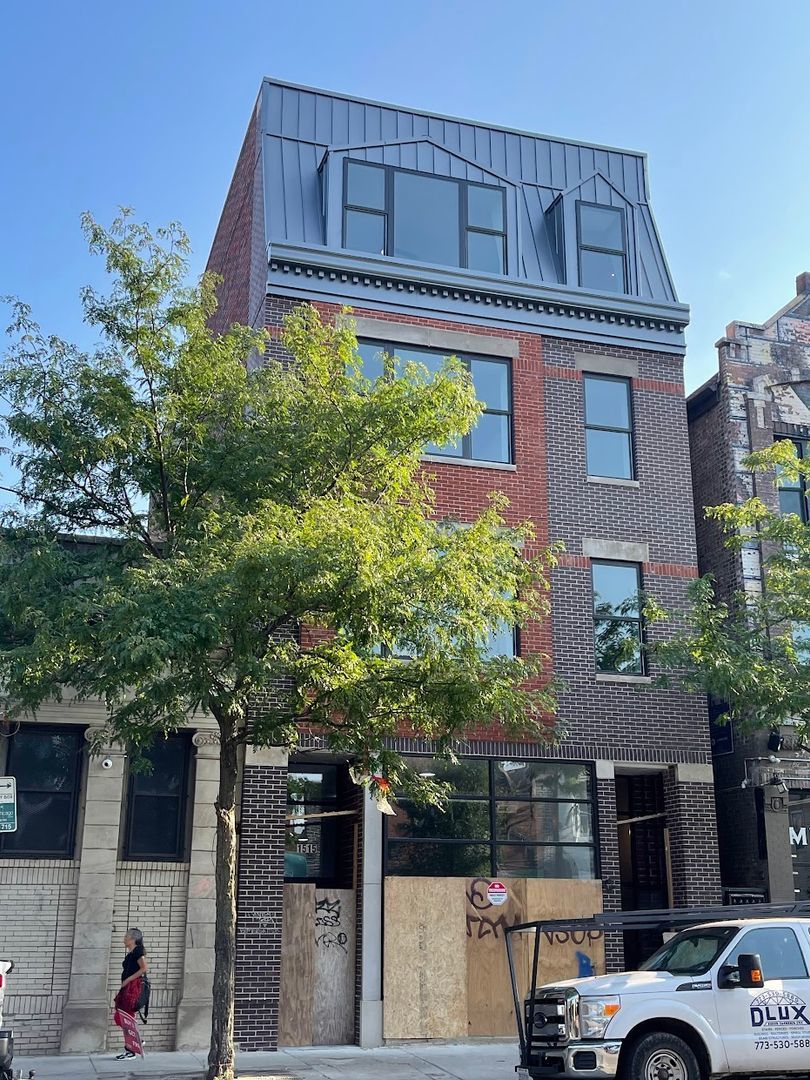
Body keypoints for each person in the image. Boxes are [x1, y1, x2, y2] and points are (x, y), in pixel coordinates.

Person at [113, 928, 148, 1060]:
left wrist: (128, 979)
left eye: (126, 936)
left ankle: (132, 1048)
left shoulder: (138, 950)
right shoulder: (131, 953)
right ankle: (134, 1044)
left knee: (124, 1017)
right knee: (122, 1017)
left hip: (132, 989)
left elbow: (144, 968)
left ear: (132, 939)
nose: (124, 938)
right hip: (127, 989)